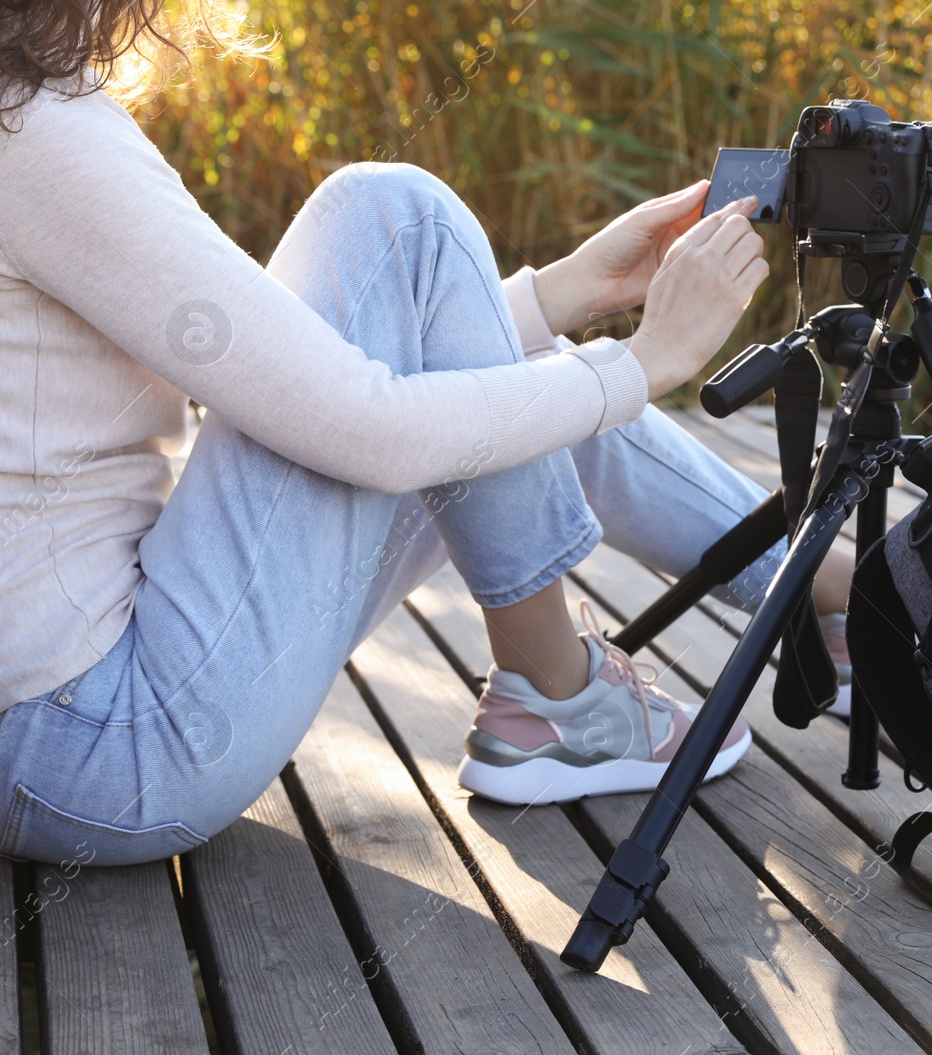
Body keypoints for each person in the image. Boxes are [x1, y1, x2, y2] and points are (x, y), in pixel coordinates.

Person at [0, 0, 854, 865]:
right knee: (398, 217)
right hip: (102, 747)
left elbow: (286, 380)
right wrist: (645, 360)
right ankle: (564, 692)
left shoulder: (26, 122)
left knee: (455, 297)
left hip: (63, 734)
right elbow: (371, 430)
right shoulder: (35, 133)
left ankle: (839, 590)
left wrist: (561, 291)